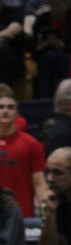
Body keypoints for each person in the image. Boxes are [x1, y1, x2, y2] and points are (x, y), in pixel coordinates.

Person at [0, 83, 47, 217]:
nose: (5, 111)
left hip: (22, 214)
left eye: (10, 107)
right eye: (1, 107)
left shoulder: (31, 143)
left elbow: (39, 182)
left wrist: (46, 208)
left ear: (17, 113)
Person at [28, 0, 71, 98]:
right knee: (48, 58)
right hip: (45, 57)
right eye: (52, 5)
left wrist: (60, 44)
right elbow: (34, 50)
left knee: (62, 59)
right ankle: (44, 99)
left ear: (66, 3)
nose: (55, 9)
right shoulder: (42, 20)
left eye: (58, 5)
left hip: (67, 56)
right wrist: (44, 45)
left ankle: (66, 96)